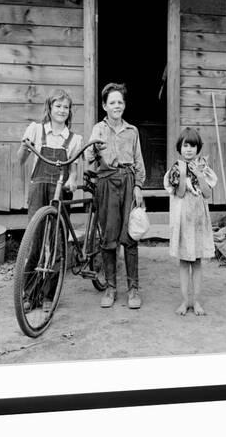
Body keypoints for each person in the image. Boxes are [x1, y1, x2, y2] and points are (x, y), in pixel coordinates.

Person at [18, 89, 82, 310]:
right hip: (38, 188)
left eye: (66, 107)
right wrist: (24, 147)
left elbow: (74, 170)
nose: (62, 110)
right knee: (35, 239)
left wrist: (72, 180)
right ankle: (29, 294)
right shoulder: (36, 130)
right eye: (58, 106)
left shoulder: (74, 139)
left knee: (57, 242)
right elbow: (21, 159)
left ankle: (48, 296)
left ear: (69, 111)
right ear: (50, 108)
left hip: (60, 190)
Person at [86, 83, 146, 309]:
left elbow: (138, 160)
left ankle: (133, 289)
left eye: (120, 102)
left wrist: (139, 186)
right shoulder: (98, 129)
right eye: (112, 102)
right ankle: (111, 288)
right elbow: (90, 158)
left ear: (124, 105)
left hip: (129, 182)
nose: (117, 106)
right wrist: (94, 150)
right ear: (104, 105)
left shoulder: (132, 131)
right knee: (109, 237)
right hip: (106, 183)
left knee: (130, 236)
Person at [163, 127, 218, 316]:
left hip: (198, 219)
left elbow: (208, 193)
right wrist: (185, 173)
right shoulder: (176, 169)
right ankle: (185, 301)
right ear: (180, 147)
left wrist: (199, 174)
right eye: (185, 145)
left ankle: (196, 302)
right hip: (183, 218)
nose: (189, 150)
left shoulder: (203, 167)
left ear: (198, 148)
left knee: (197, 262)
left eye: (193, 146)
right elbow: (178, 192)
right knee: (185, 262)